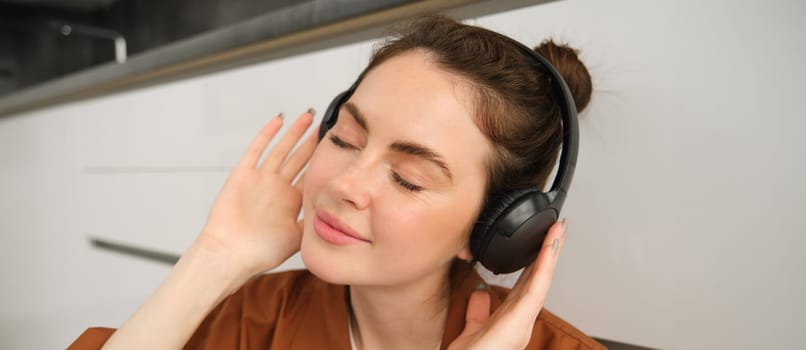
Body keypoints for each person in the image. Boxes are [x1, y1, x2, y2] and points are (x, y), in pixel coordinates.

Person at [69, 15, 602, 350]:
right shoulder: (252, 319)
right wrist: (215, 258)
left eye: (408, 179)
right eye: (345, 139)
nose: (345, 182)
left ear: (495, 227)